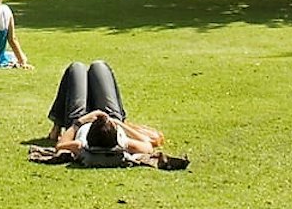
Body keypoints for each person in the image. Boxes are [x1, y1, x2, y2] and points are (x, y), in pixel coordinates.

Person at [32, 60, 182, 168]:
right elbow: (147, 145)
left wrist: (80, 122)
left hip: (79, 119)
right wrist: (117, 122)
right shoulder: (123, 144)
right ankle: (58, 125)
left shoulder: (80, 145)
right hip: (114, 117)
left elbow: (61, 145)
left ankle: (56, 126)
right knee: (99, 66)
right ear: (116, 136)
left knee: (76, 68)